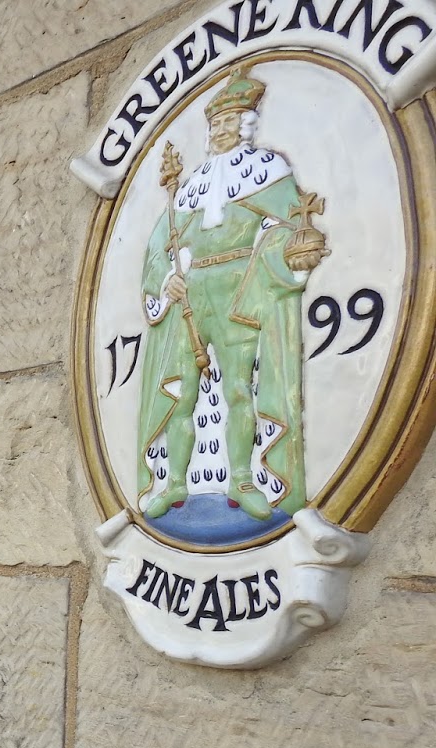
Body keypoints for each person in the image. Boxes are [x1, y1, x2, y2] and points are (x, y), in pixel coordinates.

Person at [136, 66, 328, 523]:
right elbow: (158, 249)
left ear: (246, 124)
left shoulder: (267, 170)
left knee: (239, 388)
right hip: (191, 292)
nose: (221, 131)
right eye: (215, 124)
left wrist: (285, 254)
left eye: (229, 122)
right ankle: (175, 484)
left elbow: (293, 225)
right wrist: (169, 279)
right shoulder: (189, 188)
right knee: (183, 392)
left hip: (241, 290)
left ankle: (242, 479)